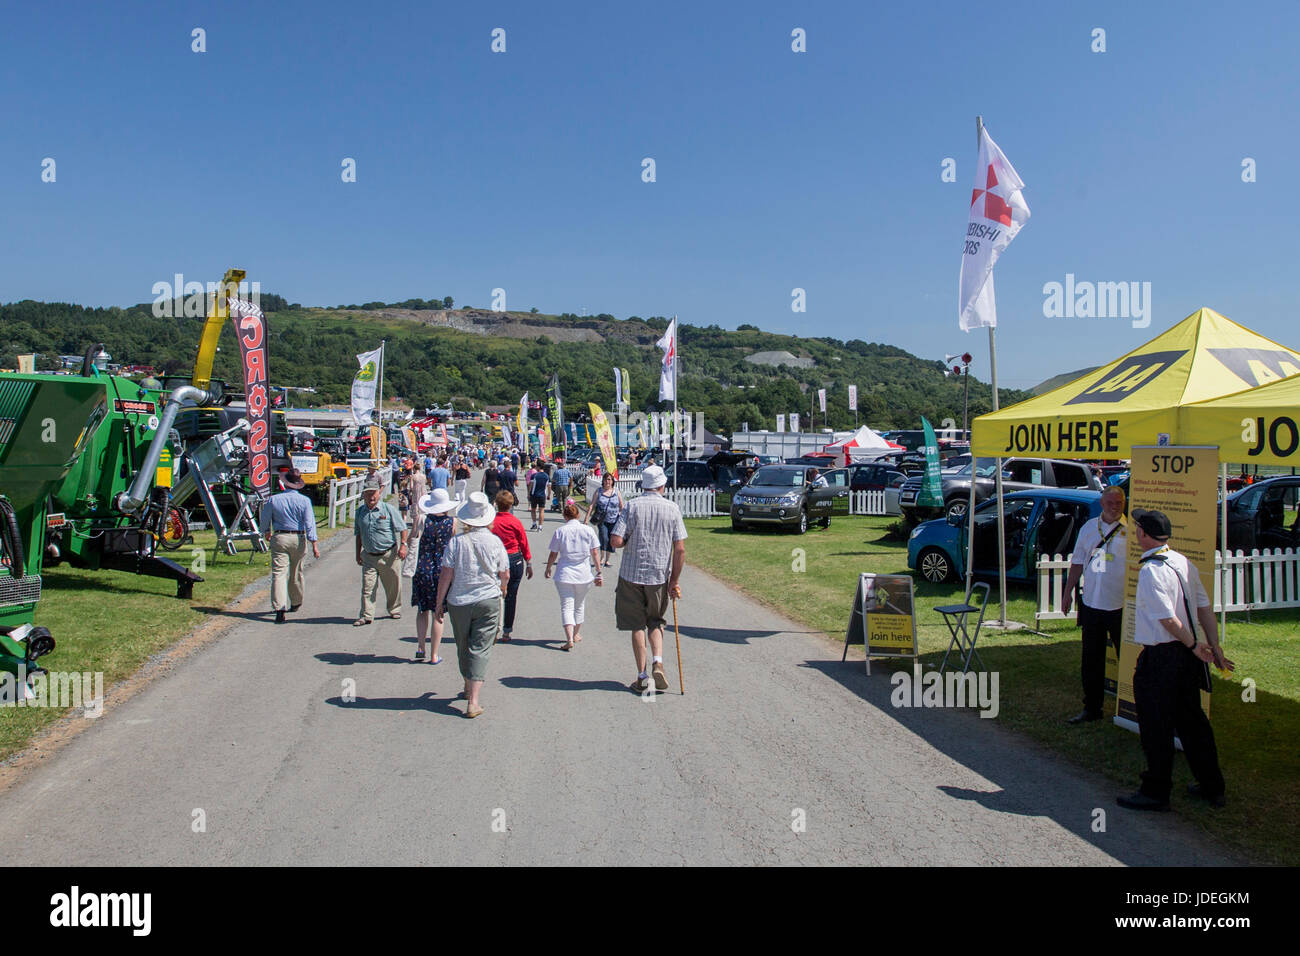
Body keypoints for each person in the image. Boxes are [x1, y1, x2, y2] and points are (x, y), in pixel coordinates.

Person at [1117, 509, 1235, 812]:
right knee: (1193, 722)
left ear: (1143, 534)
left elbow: (1168, 619)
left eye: (1137, 529)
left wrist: (1196, 644)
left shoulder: (1151, 570)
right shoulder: (1181, 561)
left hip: (1164, 656)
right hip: (1184, 656)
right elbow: (1205, 608)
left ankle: (1155, 791)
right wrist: (1213, 646)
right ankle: (1212, 785)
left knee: (1156, 726)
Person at [609, 464, 687, 693]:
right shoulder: (672, 508)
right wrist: (674, 580)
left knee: (636, 625)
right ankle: (658, 662)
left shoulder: (632, 506)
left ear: (643, 485)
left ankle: (643, 676)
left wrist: (626, 541)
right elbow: (680, 549)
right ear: (662, 485)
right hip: (658, 576)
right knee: (655, 620)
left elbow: (615, 540)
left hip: (632, 574)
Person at [434, 493, 510, 718]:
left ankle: (468, 685)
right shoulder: (494, 541)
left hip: (459, 600)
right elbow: (504, 572)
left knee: (463, 644)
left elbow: (446, 574)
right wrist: (503, 588)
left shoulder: (456, 542)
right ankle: (474, 700)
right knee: (480, 647)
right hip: (487, 598)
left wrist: (439, 602)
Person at [1061, 486, 1127, 723]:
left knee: (1127, 658)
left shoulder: (1132, 532)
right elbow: (1078, 562)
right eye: (1110, 502)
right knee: (1091, 659)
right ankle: (1092, 708)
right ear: (1101, 502)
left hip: (1120, 606)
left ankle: (1134, 710)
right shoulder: (1089, 528)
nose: (1115, 506)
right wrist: (1067, 592)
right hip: (1092, 603)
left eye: (1119, 502)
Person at [259, 468, 320, 624]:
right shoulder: (305, 501)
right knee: (296, 571)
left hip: (280, 535)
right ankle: (296, 600)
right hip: (298, 537)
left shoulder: (274, 500)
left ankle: (279, 607)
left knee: (279, 573)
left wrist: (266, 531)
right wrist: (314, 543)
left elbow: (265, 518)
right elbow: (309, 523)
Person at [546, 501, 602, 650]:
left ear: (565, 516)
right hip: (583, 574)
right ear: (578, 515)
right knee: (579, 605)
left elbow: (553, 553)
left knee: (567, 606)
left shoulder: (560, 531)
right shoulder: (588, 530)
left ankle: (569, 637)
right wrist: (599, 571)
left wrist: (548, 568)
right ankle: (576, 634)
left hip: (564, 573)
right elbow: (595, 552)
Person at [411, 488, 458, 662]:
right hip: (441, 569)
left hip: (423, 567)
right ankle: (434, 654)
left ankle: (421, 648)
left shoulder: (421, 519)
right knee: (438, 613)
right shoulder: (452, 522)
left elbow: (413, 539)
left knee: (422, 610)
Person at [353, 477, 408, 626]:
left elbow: (402, 528)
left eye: (373, 493)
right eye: (368, 493)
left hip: (388, 554)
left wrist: (403, 545)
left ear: (379, 493)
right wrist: (358, 553)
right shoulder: (360, 512)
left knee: (393, 585)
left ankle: (394, 609)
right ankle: (366, 615)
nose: (371, 496)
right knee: (367, 586)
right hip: (369, 556)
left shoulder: (388, 509)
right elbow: (358, 534)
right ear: (363, 495)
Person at [491, 490, 533, 641]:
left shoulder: (492, 521)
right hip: (514, 558)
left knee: (494, 595)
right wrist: (529, 562)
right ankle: (507, 631)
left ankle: (494, 628)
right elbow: (523, 543)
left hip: (496, 559)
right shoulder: (515, 522)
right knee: (511, 596)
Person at [584, 472, 623, 568]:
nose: (607, 482)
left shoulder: (616, 491)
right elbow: (592, 505)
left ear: (612, 481)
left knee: (611, 540)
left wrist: (623, 519)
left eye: (609, 479)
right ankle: (601, 557)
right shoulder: (599, 491)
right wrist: (586, 518)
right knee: (604, 537)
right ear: (603, 481)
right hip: (602, 519)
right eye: (606, 479)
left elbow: (621, 506)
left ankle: (607, 560)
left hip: (614, 519)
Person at [527, 460, 550, 531]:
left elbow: (530, 485)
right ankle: (540, 526)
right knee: (541, 510)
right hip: (543, 495)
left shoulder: (534, 476)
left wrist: (528, 493)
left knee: (533, 510)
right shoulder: (547, 476)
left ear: (538, 467)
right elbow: (549, 486)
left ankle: (534, 523)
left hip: (534, 494)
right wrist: (549, 494)